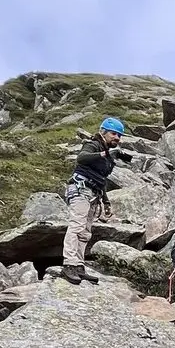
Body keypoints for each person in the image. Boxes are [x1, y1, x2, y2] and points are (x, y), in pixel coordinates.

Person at [61, 117, 131, 284]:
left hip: (94, 193)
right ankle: (69, 264)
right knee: (77, 226)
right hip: (80, 189)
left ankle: (78, 265)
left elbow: (101, 179)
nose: (117, 138)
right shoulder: (93, 144)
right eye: (113, 134)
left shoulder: (107, 153)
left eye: (119, 135)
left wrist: (106, 201)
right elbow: (81, 158)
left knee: (85, 231)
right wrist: (105, 153)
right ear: (103, 132)